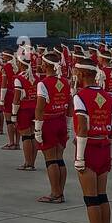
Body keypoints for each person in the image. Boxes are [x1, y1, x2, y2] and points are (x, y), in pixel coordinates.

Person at [70, 58, 112, 223]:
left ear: (82, 74)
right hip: (104, 147)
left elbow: (82, 127)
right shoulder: (108, 96)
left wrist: (79, 158)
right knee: (102, 196)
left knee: (91, 199)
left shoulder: (80, 96)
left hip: (89, 148)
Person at [33, 51, 71, 204]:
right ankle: (60, 192)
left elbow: (40, 108)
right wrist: (68, 126)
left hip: (48, 122)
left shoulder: (43, 83)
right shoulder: (65, 81)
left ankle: (55, 193)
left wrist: (37, 129)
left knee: (50, 160)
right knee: (59, 159)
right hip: (61, 120)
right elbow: (70, 105)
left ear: (46, 65)